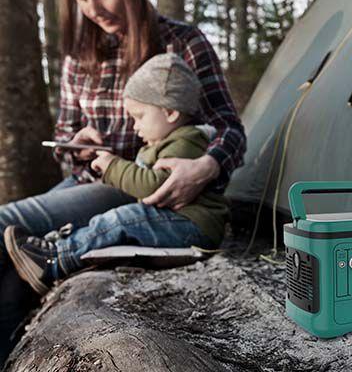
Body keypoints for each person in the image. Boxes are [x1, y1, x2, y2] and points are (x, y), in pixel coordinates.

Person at [0, 0, 245, 365]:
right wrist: (75, 145)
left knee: (6, 222)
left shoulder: (182, 45)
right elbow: (66, 134)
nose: (94, 9)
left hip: (142, 188)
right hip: (88, 180)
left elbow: (230, 130)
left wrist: (205, 167)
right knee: (12, 253)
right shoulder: (79, 57)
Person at [4, 53, 229, 295]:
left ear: (170, 113)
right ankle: (57, 246)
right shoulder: (161, 143)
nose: (135, 126)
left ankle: (57, 259)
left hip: (192, 226)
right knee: (119, 218)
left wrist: (113, 167)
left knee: (121, 220)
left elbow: (155, 186)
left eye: (139, 116)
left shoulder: (188, 140)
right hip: (176, 221)